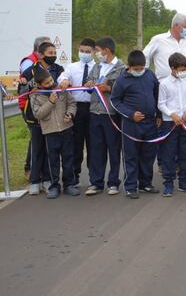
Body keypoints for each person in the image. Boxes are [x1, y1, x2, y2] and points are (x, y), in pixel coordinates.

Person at [111, 50, 161, 199]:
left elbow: (157, 95)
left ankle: (145, 183)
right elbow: (115, 101)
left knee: (148, 154)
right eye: (137, 69)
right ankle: (131, 186)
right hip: (131, 124)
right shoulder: (121, 80)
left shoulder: (150, 75)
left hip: (150, 122)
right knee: (131, 155)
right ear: (129, 67)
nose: (140, 71)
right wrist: (131, 114)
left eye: (142, 68)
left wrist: (158, 114)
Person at [84, 37, 125, 196]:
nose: (96, 54)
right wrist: (88, 84)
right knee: (96, 149)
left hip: (111, 114)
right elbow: (88, 81)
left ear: (106, 50)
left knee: (114, 148)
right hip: (95, 112)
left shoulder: (121, 68)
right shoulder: (96, 66)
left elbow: (124, 89)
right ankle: (96, 183)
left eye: (97, 51)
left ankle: (113, 182)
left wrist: (109, 88)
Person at [21, 41, 64, 194]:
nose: (52, 56)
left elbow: (63, 87)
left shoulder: (59, 70)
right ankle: (34, 180)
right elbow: (23, 91)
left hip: (54, 116)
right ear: (40, 55)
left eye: (54, 53)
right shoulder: (30, 72)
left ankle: (47, 179)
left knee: (49, 149)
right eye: (49, 53)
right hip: (35, 115)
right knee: (37, 147)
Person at [30, 68, 78, 199]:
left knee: (68, 157)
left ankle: (69, 184)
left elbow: (72, 103)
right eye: (46, 83)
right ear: (40, 85)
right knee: (53, 160)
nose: (50, 83)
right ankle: (54, 185)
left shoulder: (61, 89)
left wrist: (70, 114)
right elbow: (38, 114)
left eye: (51, 80)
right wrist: (50, 102)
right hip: (50, 132)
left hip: (66, 129)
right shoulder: (35, 95)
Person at [157, 52, 186, 197]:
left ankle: (184, 181)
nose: (183, 72)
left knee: (185, 152)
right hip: (170, 124)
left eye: (185, 69)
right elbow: (161, 104)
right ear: (173, 68)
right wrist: (172, 114)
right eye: (181, 69)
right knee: (169, 153)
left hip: (185, 123)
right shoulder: (164, 84)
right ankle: (168, 183)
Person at [57, 38, 96, 183]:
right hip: (76, 109)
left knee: (93, 145)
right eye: (82, 51)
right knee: (75, 145)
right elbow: (63, 77)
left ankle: (95, 179)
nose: (84, 54)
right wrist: (64, 81)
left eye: (87, 52)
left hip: (93, 109)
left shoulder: (98, 67)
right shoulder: (72, 67)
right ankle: (73, 177)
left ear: (94, 52)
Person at [18, 36, 50, 179]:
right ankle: (30, 169)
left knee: (43, 137)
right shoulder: (29, 63)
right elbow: (29, 84)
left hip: (45, 104)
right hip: (29, 105)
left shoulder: (44, 63)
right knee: (35, 138)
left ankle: (42, 171)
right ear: (39, 50)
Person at [142, 13, 186, 80]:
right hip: (163, 85)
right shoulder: (158, 40)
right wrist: (146, 76)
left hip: (184, 85)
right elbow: (144, 56)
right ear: (176, 25)